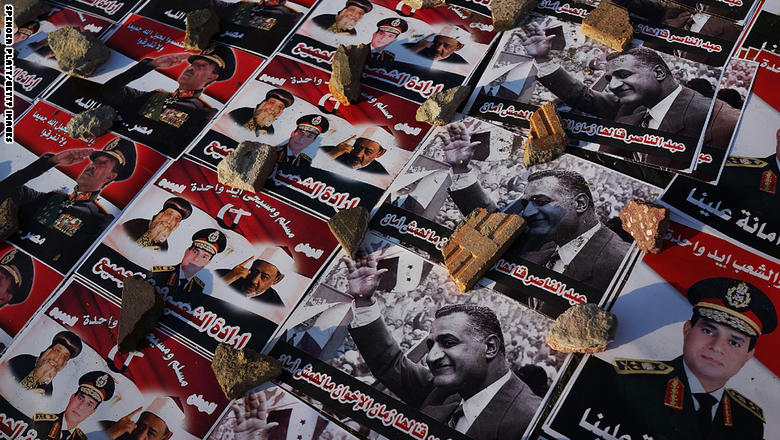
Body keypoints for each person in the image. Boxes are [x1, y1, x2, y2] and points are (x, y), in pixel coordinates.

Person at [343, 256, 543, 438]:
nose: (431, 357)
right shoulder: (444, 390)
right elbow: (390, 364)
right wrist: (363, 300)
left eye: (448, 343)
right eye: (431, 345)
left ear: (490, 347)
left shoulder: (530, 421)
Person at [563, 278, 776, 439]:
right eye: (708, 331)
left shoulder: (749, 422)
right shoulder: (631, 382)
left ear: (748, 355)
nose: (717, 347)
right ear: (687, 330)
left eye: (734, 342)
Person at [518, 25, 740, 167]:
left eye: (623, 75)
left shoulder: (723, 122)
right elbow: (583, 96)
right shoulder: (629, 106)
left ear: (659, 73)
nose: (613, 86)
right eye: (610, 78)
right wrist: (544, 59)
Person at [441, 125, 629, 291]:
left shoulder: (620, 261)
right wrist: (460, 168)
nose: (528, 213)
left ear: (580, 204)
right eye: (526, 204)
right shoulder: (543, 240)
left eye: (541, 201)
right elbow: (493, 224)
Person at [0, 139, 137, 271]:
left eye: (102, 163)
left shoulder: (99, 219)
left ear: (111, 176)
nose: (92, 166)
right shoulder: (50, 198)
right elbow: (6, 188)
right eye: (94, 161)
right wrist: (53, 161)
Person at [87, 45, 235, 153]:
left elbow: (177, 147)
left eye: (201, 65)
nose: (190, 68)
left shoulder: (204, 112)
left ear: (212, 77)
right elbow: (109, 91)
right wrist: (152, 64)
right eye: (193, 64)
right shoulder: (155, 96)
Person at [147, 228, 227, 300]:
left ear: (207, 262)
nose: (196, 259)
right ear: (187, 251)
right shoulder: (159, 273)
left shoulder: (199, 288)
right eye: (195, 252)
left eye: (204, 257)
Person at [34, 372, 116, 440]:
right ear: (72, 397)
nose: (81, 407)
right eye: (80, 398)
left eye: (89, 404)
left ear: (92, 412)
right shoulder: (39, 423)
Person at [8, 331, 83, 396]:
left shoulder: (48, 391)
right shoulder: (23, 360)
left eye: (64, 357)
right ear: (48, 351)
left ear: (63, 365)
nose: (56, 359)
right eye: (57, 351)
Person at [217, 247, 295, 305]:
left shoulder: (276, 306)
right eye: (254, 271)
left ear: (277, 280)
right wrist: (225, 280)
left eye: (264, 277)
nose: (254, 280)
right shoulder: (224, 275)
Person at [91, 396, 184, 440]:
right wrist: (109, 434)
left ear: (166, 437)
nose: (140, 437)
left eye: (151, 433)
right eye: (141, 426)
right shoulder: (109, 428)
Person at [121, 197, 193, 251]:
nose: (169, 221)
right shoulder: (136, 224)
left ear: (176, 225)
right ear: (160, 214)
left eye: (176, 219)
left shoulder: (164, 247)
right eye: (168, 214)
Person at [322, 126, 393, 175]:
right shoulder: (331, 151)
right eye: (357, 147)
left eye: (368, 152)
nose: (358, 154)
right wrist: (331, 154)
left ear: (380, 153)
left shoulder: (381, 175)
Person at [227, 88, 295, 136]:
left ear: (279, 112)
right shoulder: (243, 112)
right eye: (271, 103)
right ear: (263, 103)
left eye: (279, 107)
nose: (273, 108)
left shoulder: (270, 131)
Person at [403, 25, 470, 64]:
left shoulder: (461, 64)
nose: (438, 48)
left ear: (459, 47)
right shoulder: (411, 47)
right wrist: (416, 48)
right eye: (437, 42)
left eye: (447, 46)